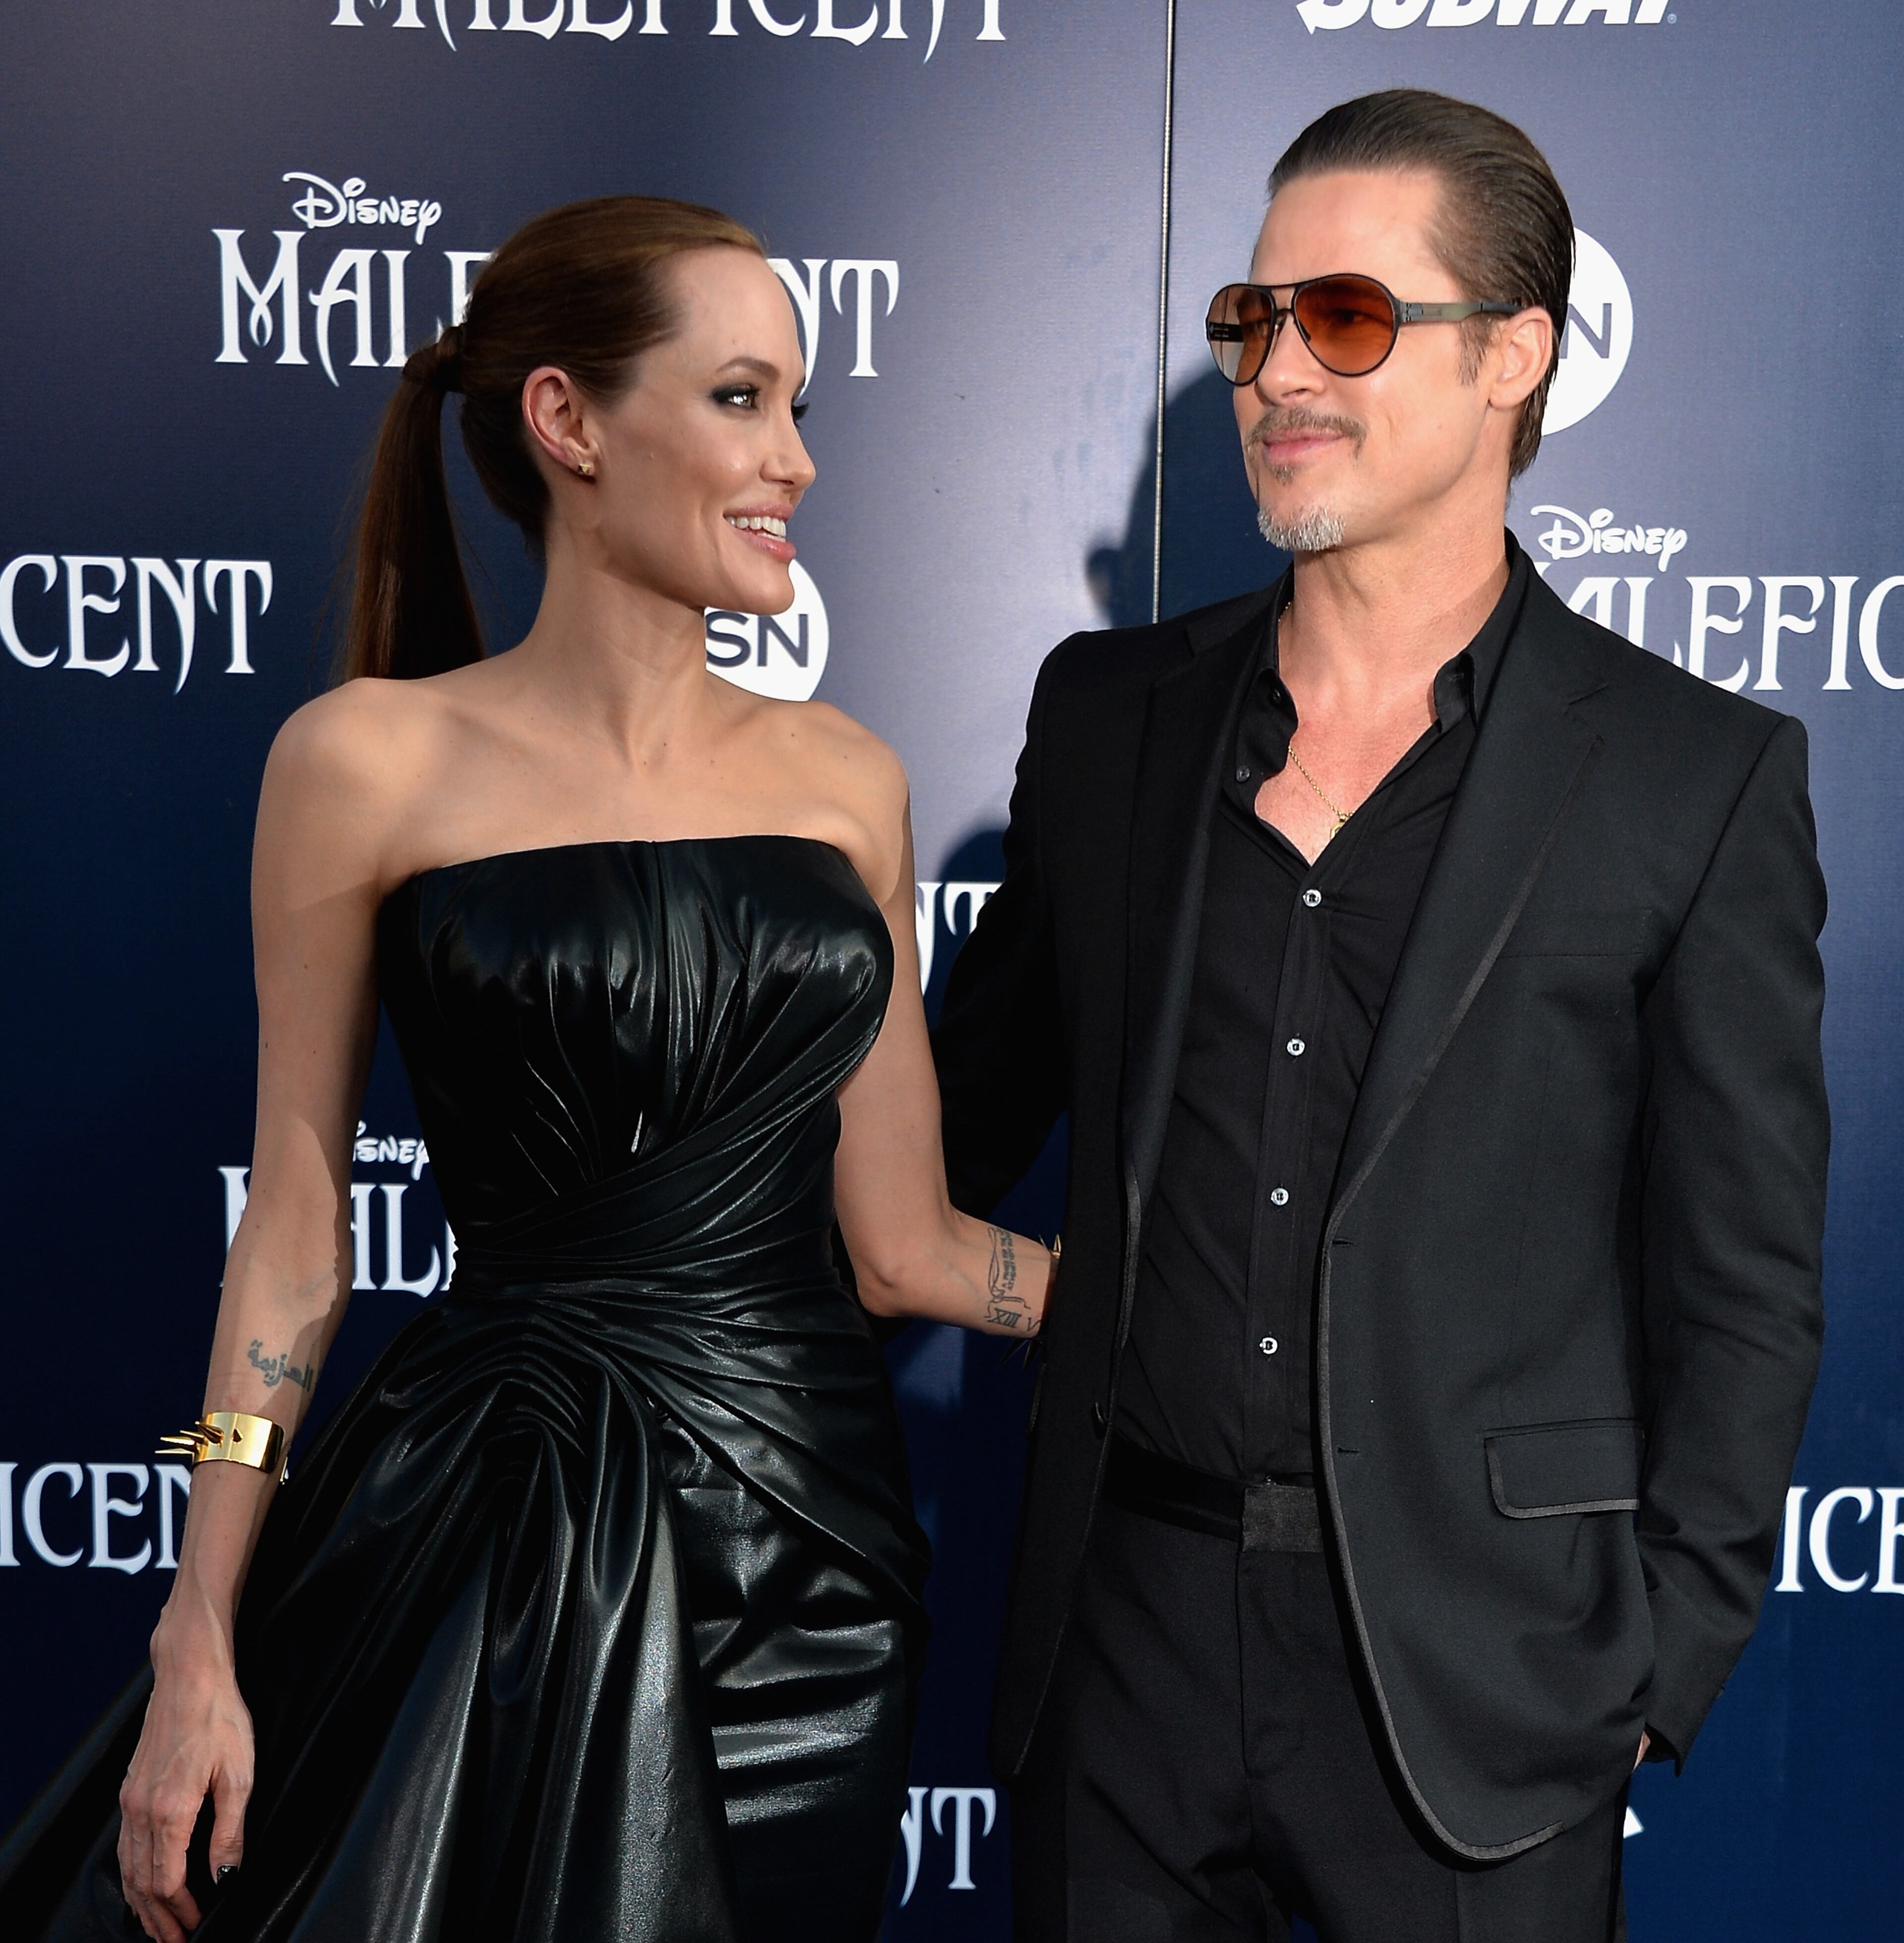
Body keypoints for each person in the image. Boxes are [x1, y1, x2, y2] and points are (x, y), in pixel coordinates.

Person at [0, 194, 1054, 1943]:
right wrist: (198, 1623)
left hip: (817, 1576)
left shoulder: (846, 782)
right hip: (502, 1527)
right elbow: (295, 1225)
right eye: (739, 400)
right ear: (567, 421)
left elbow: (908, 1249)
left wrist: (1183, 1311)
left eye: (800, 408)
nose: (793, 458)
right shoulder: (365, 762)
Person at [933, 90, 1827, 1942]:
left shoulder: (1692, 776)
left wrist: (1648, 1671)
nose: (1278, 374)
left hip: (1479, 1700)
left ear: (1518, 356)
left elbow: (1741, 1286)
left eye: (1345, 320)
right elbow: (952, 1121)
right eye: (1254, 322)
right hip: (1127, 1662)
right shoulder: (1110, 719)